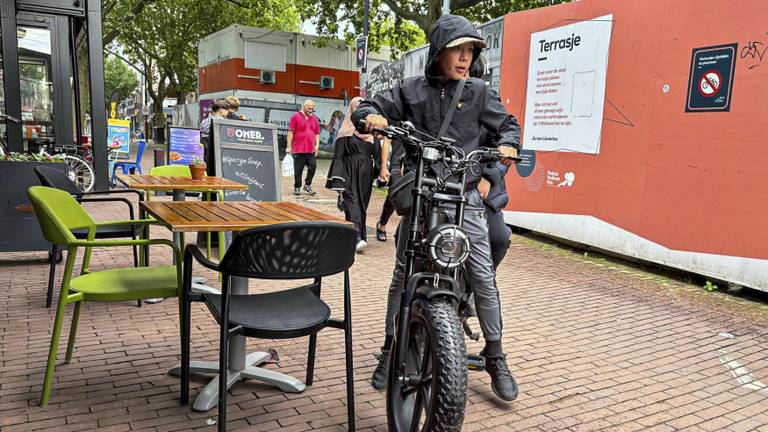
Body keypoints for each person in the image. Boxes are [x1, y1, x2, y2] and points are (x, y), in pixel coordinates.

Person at [353, 14, 521, 401]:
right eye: (457, 49)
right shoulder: (410, 91)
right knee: (402, 273)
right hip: (422, 195)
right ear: (438, 53)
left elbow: (508, 125)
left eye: (470, 51)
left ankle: (495, 355)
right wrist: (371, 116)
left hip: (465, 198)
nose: (465, 57)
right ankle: (390, 349)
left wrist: (509, 143)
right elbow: (366, 108)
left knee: (482, 275)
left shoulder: (478, 92)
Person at [326, 98, 390, 252]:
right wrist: (338, 179)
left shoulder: (370, 134)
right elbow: (339, 157)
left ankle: (357, 236)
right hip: (349, 171)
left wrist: (381, 170)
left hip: (365, 174)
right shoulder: (345, 131)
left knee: (362, 205)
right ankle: (356, 238)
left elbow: (376, 154)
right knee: (352, 202)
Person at [288, 99, 321, 196]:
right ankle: (297, 187)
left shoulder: (314, 119)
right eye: (309, 108)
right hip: (298, 149)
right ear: (304, 106)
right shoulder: (295, 117)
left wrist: (317, 145)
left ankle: (307, 185)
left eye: (312, 109)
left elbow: (317, 133)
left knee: (313, 166)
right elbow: (290, 132)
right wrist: (288, 146)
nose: (310, 110)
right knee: (298, 169)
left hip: (310, 149)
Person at [199, 98, 230, 175]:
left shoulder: (205, 121)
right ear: (221, 110)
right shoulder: (222, 122)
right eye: (227, 110)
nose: (228, 112)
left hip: (205, 152)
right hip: (217, 153)